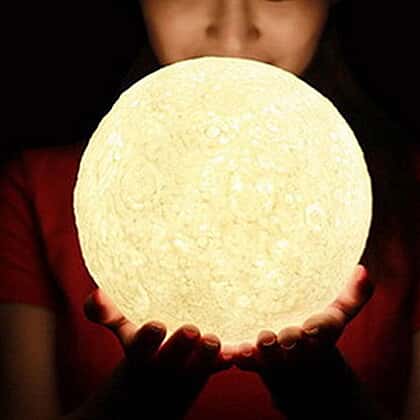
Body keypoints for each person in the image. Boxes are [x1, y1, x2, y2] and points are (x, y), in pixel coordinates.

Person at [0, 0, 419, 419]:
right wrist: (138, 398)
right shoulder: (40, 190)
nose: (232, 36)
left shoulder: (407, 194)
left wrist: (325, 395)